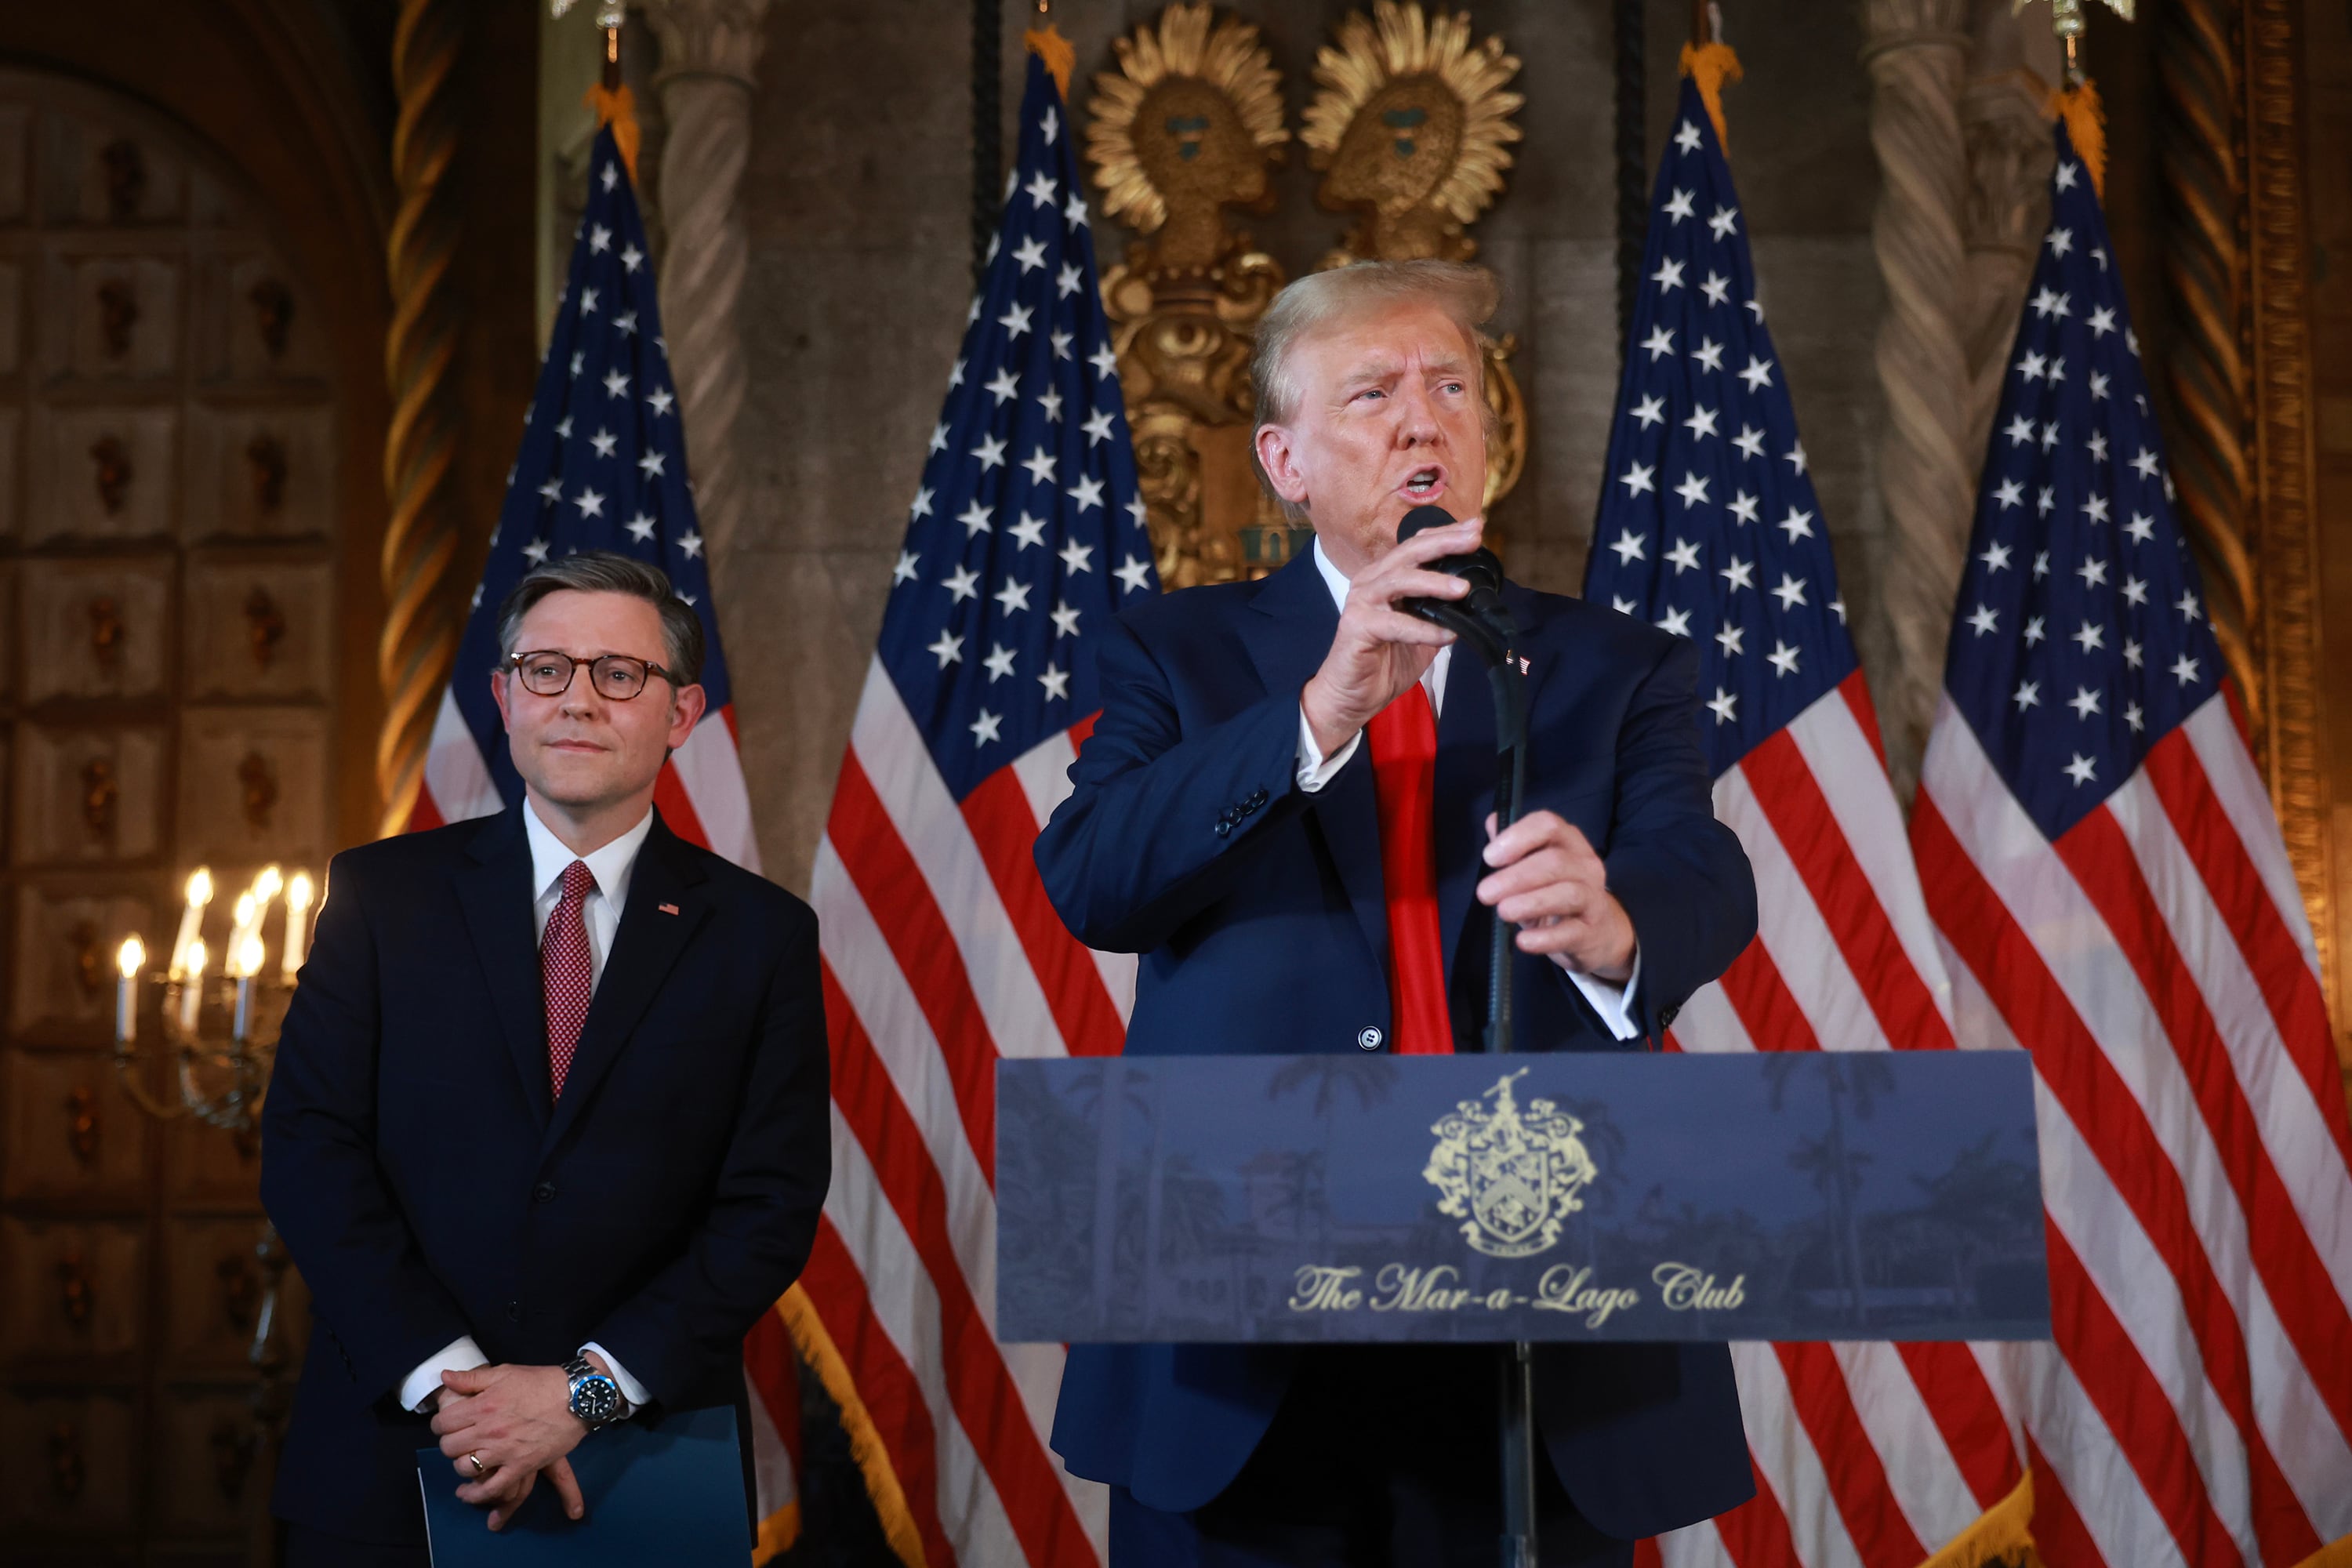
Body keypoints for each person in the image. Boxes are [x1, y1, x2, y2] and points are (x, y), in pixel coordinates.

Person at [1036, 261, 1759, 1566]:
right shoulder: (1176, 652)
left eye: (1451, 388)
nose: (1423, 419)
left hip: (1531, 1322)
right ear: (1285, 458)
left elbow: (1701, 876)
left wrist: (1618, 928)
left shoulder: (1618, 663)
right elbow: (1092, 876)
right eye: (1373, 392)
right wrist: (1317, 713)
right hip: (1244, 1334)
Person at [260, 551, 829, 1566]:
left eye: (618, 674)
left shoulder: (760, 936)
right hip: (394, 1453)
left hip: (647, 1464)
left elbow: (770, 1206)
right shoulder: (382, 898)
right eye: (545, 670)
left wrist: (583, 1395)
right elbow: (311, 1153)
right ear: (503, 696)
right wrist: (456, 1390)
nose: (577, 701)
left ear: (682, 713)